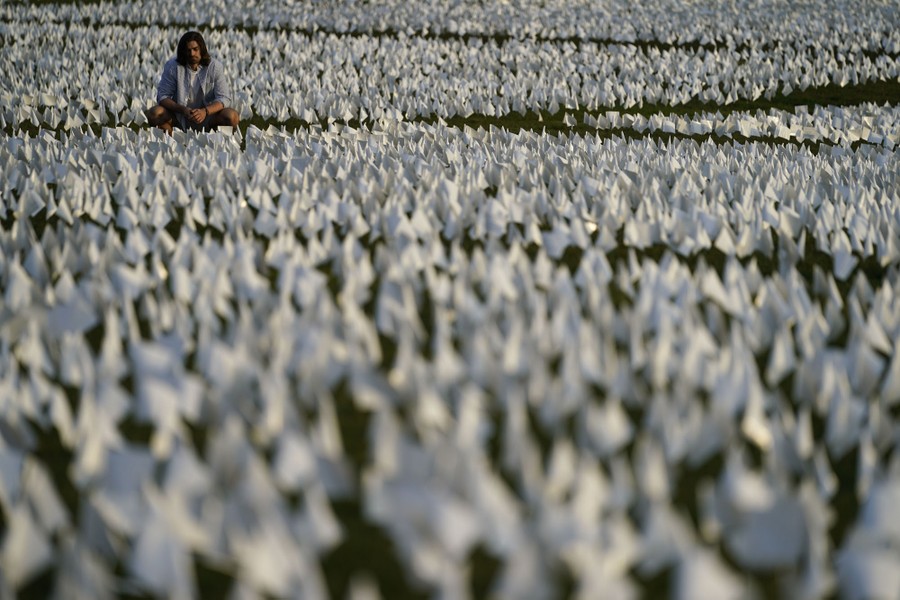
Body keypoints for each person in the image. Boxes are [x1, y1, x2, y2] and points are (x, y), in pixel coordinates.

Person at [145, 31, 240, 134]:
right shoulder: (173, 66)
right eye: (188, 50)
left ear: (202, 49)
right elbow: (163, 96)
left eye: (195, 49)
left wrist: (205, 111)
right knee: (154, 113)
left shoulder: (214, 67)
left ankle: (215, 143)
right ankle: (172, 143)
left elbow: (224, 98)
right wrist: (183, 110)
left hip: (209, 117)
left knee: (232, 117)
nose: (192, 54)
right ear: (183, 52)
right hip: (180, 116)